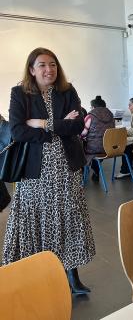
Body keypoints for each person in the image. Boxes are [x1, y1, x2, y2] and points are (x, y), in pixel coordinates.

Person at [2, 47, 95, 295]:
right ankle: (38, 274)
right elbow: (17, 131)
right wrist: (59, 125)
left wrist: (42, 123)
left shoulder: (67, 91)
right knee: (38, 222)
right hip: (35, 174)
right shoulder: (19, 93)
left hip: (67, 170)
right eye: (42, 65)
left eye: (52, 64)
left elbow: (76, 126)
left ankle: (72, 276)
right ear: (32, 69)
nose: (48, 69)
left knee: (70, 220)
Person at [81, 95, 115, 180]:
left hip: (94, 149)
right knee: (98, 149)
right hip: (109, 147)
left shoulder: (90, 116)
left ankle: (82, 173)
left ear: (93, 107)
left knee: (79, 146)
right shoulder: (111, 115)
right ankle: (96, 169)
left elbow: (83, 133)